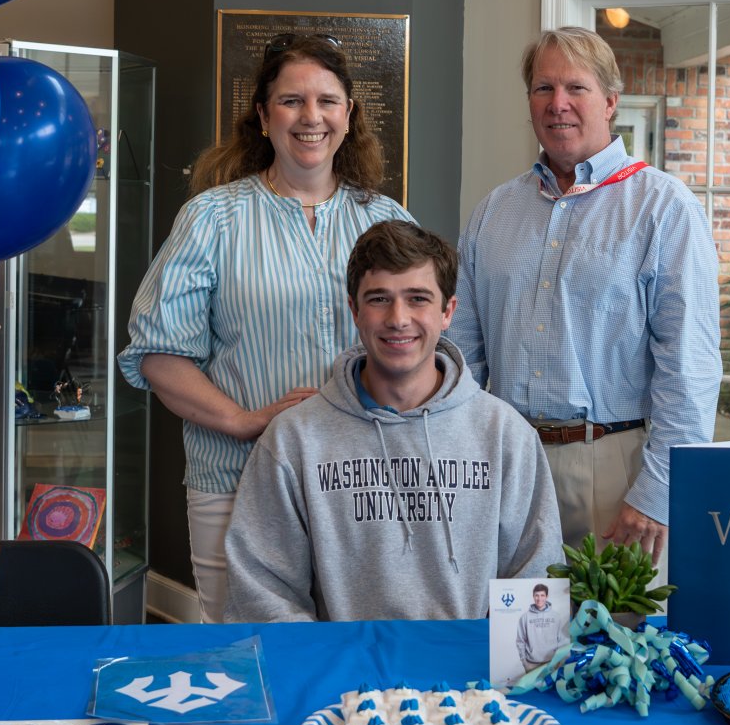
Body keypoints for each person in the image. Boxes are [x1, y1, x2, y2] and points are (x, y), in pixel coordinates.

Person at [120, 34, 413, 622]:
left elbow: (418, 345)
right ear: (262, 115)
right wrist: (244, 422)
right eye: (291, 101)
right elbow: (157, 354)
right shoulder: (211, 217)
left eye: (328, 101)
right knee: (246, 656)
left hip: (361, 481)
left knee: (353, 649)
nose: (312, 117)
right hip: (236, 479)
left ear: (349, 115)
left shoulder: (387, 220)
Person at [449, 26, 720, 578]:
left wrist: (659, 491)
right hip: (507, 462)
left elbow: (688, 368)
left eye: (576, 87)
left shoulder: (663, 208)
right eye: (543, 89)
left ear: (611, 102)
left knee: (616, 648)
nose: (559, 104)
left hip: (615, 469)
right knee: (509, 645)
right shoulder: (493, 213)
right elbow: (461, 357)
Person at [224, 221, 562, 622]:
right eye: (379, 299)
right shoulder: (293, 440)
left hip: (471, 676)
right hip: (344, 677)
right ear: (354, 311)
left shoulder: (506, 436)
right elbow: (262, 588)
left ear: (448, 312)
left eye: (418, 298)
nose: (398, 319)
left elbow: (536, 574)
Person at [516, 582, 566, 672]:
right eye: (537, 595)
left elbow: (561, 639)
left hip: (552, 662)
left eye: (542, 595)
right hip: (531, 663)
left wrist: (559, 659)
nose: (539, 598)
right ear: (533, 596)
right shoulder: (525, 617)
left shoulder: (556, 616)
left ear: (546, 596)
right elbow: (520, 641)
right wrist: (524, 662)